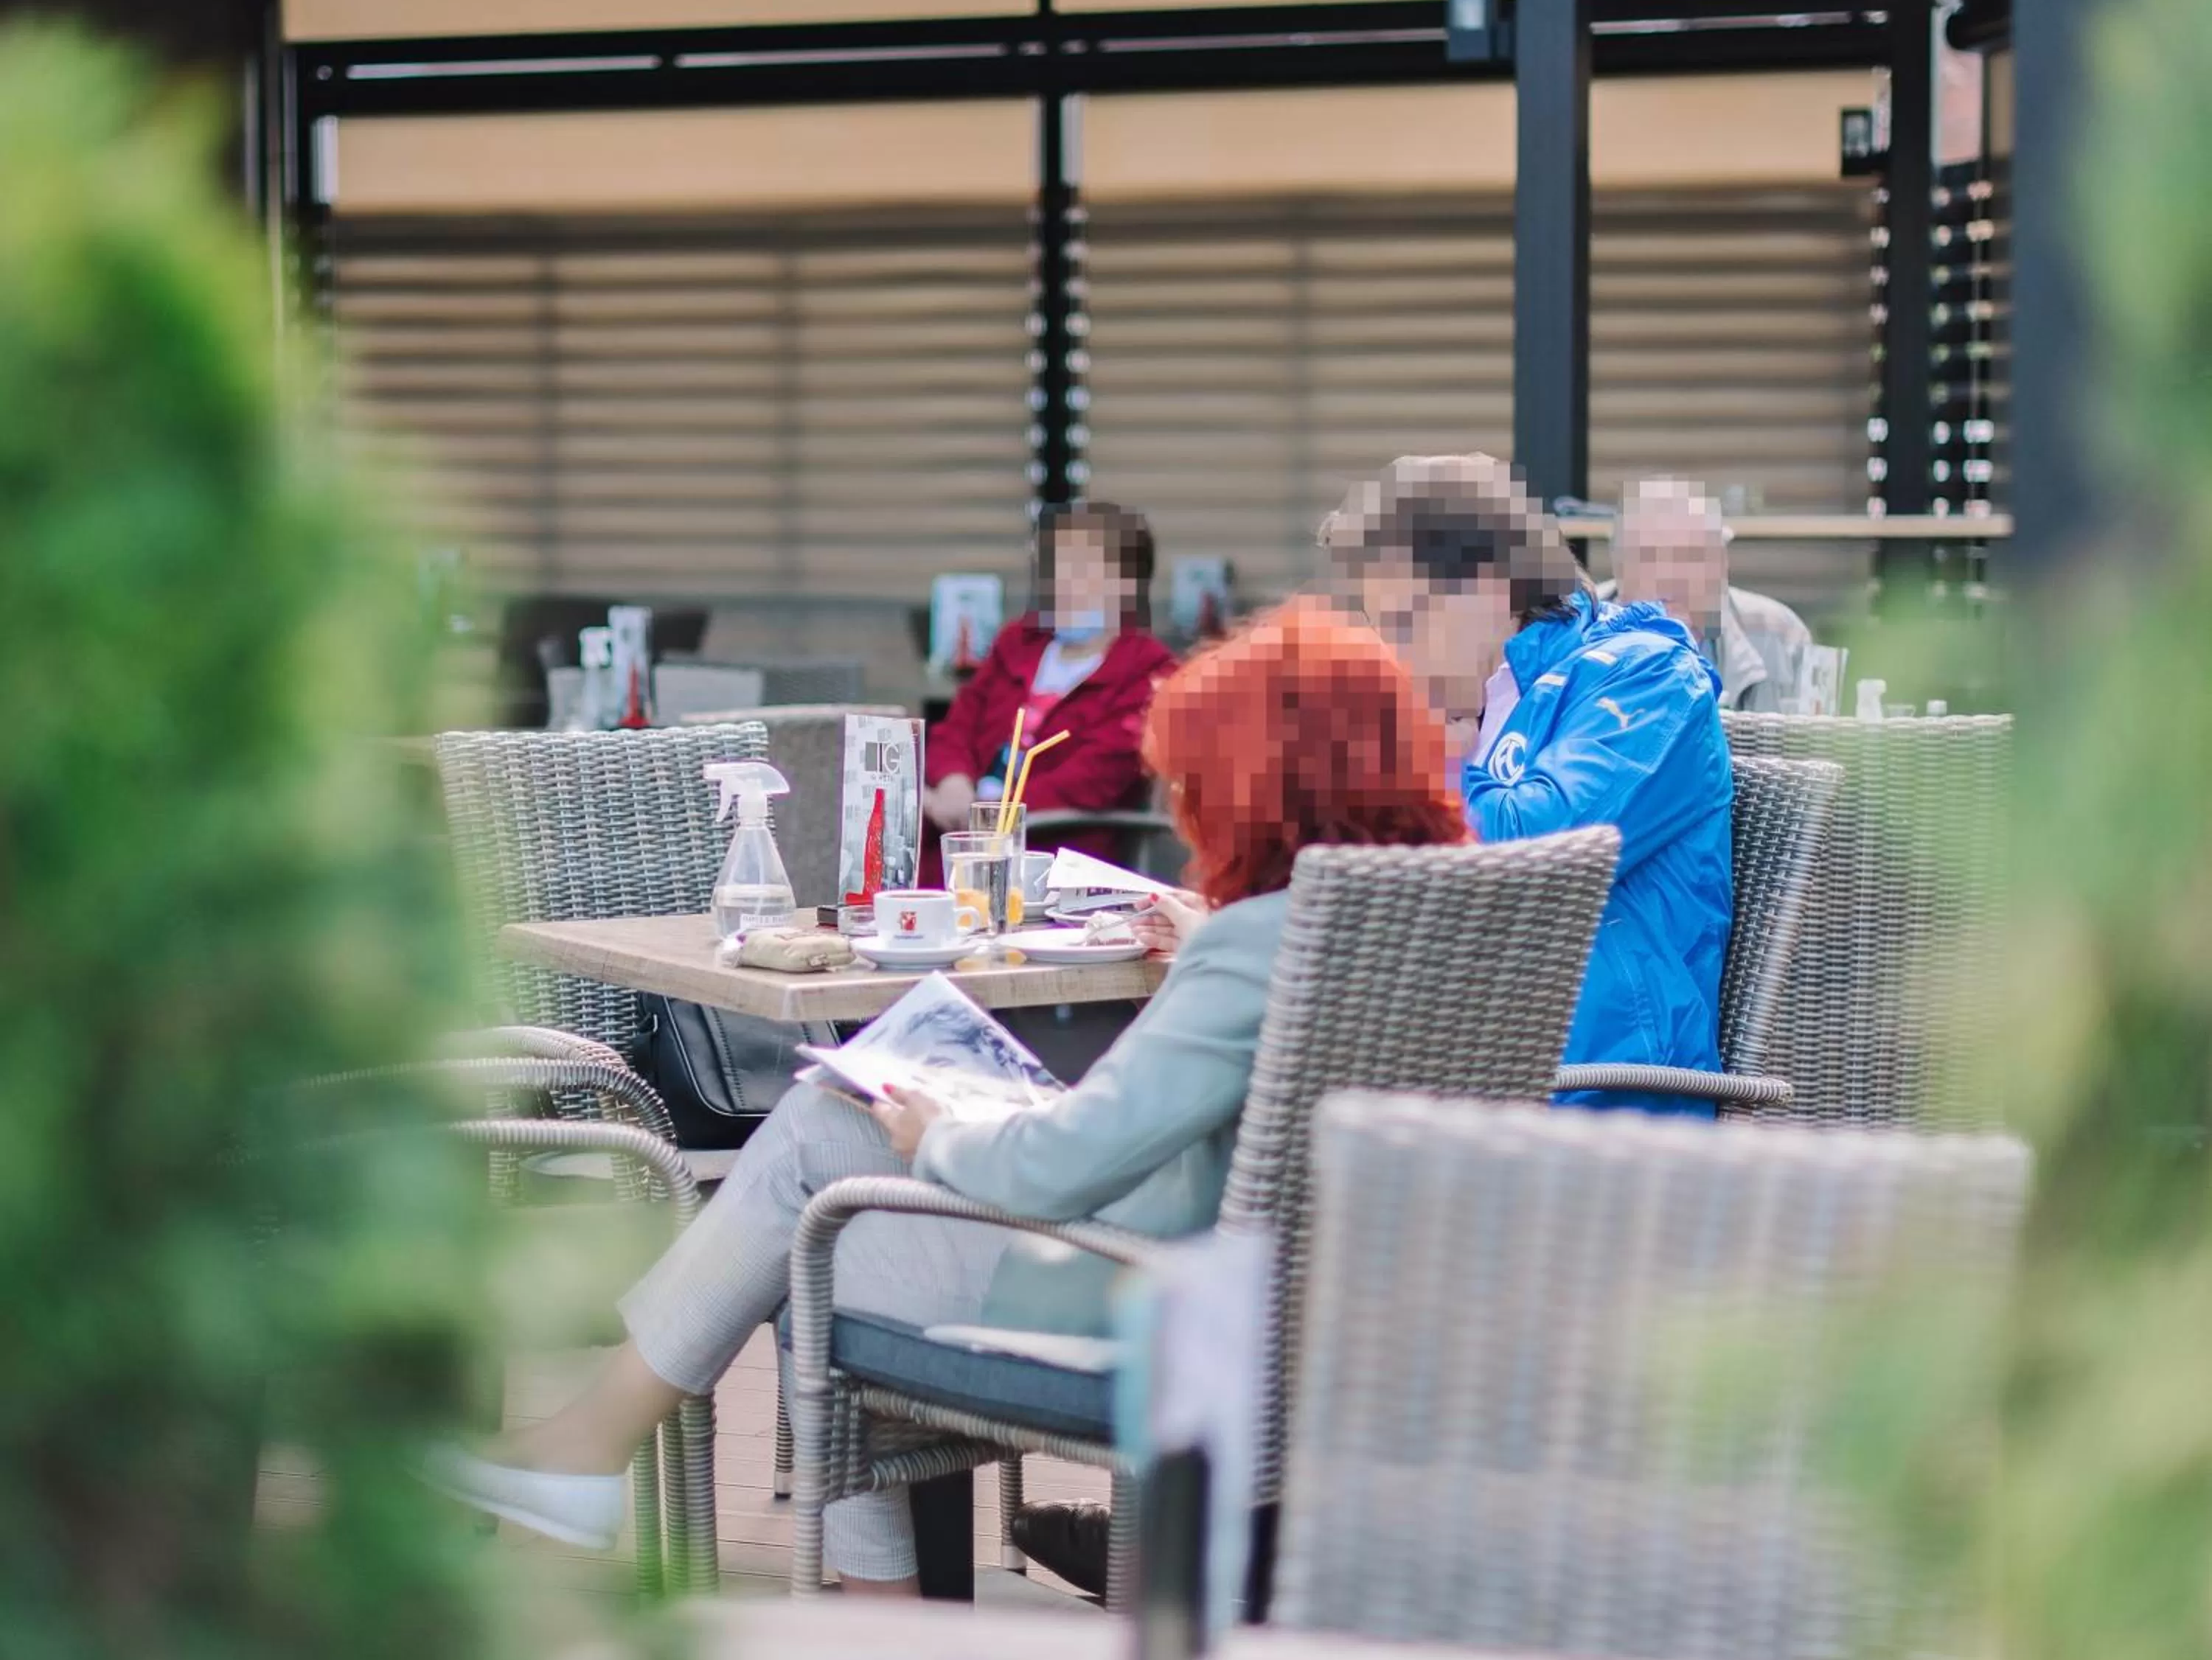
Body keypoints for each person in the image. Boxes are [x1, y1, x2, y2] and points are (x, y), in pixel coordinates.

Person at [424, 599, 1466, 1591]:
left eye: (1194, 786)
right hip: (1315, 1307)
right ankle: (605, 1458)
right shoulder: (1400, 920)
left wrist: (934, 1137)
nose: (1183, 808)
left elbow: (1062, 1167)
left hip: (1144, 1293)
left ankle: (607, 1457)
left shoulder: (1251, 947)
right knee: (824, 1174)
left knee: (816, 1193)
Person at [1319, 453, 1733, 1114]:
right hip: (1456, 1083)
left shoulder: (1648, 678)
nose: (1391, 655)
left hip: (1596, 1103)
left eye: (1404, 622)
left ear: (1489, 587)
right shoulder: (1473, 706)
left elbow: (1531, 861)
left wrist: (1434, 763)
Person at [921, 501, 1176, 877]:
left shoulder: (1151, 674)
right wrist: (953, 782)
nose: (1059, 584)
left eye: (1079, 571)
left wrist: (978, 816)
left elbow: (1092, 782)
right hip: (955, 847)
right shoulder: (1018, 642)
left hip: (1051, 863)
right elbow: (956, 728)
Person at [1605, 477, 1813, 714]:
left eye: (1690, 555)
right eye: (1650, 557)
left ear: (1722, 564)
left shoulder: (1781, 635)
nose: (1671, 576)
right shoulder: (1573, 632)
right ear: (1618, 568)